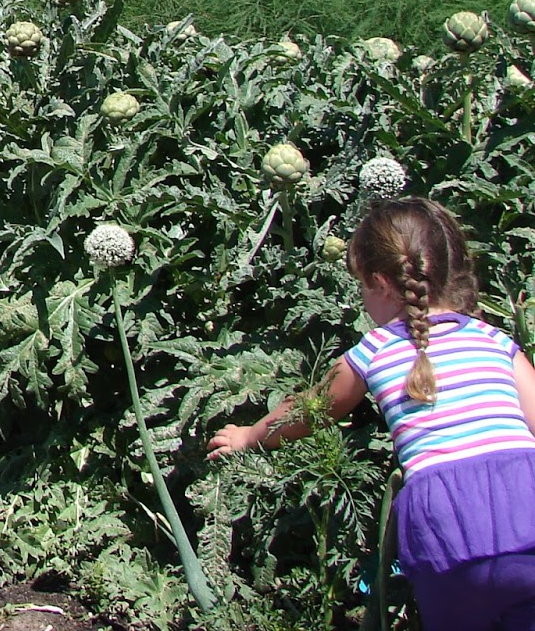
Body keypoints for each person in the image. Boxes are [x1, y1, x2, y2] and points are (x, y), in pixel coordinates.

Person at [208, 197, 535, 630]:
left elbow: (309, 411)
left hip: (447, 521)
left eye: (361, 285)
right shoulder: (494, 341)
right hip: (525, 503)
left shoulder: (374, 351)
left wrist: (249, 436)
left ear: (380, 283)